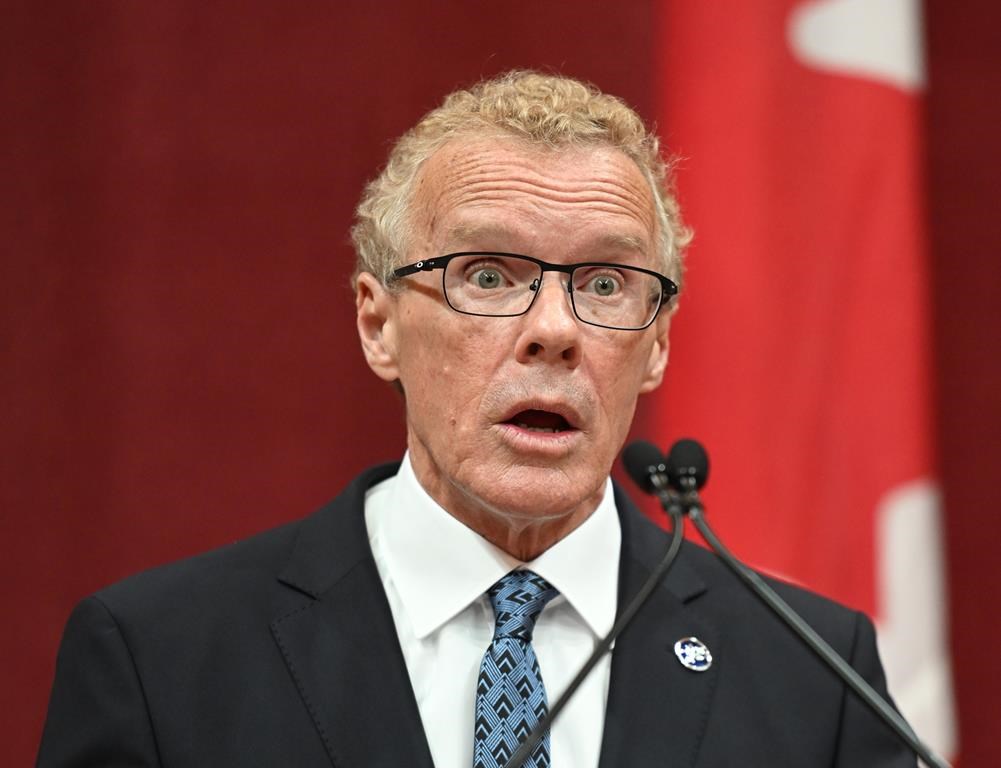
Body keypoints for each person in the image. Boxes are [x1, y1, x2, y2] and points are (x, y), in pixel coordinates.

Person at [38, 71, 916, 767]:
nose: (554, 332)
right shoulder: (160, 660)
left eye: (605, 284)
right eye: (488, 275)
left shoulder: (813, 670)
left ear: (656, 346)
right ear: (377, 324)